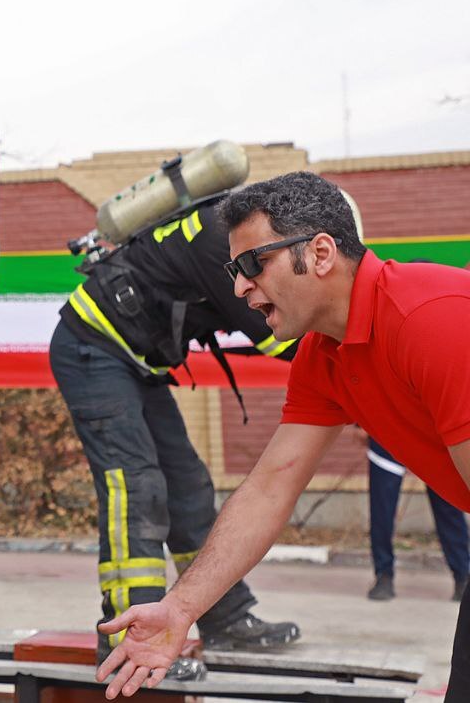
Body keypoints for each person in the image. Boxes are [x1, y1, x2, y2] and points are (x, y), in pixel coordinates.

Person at [96, 171, 470, 699]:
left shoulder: (430, 321)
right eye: (233, 268)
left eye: (253, 264)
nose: (238, 286)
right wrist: (180, 609)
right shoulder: (323, 357)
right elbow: (272, 486)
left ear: (320, 254)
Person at [49, 199, 301, 680]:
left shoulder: (236, 233)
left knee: (187, 483)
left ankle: (223, 613)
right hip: (91, 345)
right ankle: (130, 636)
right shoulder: (223, 245)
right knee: (136, 487)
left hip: (137, 360)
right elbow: (285, 338)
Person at [365, 435, 469, 601]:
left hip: (432, 429)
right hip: (386, 428)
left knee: (448, 506)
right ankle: (383, 574)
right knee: (382, 507)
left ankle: (463, 574)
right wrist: (359, 424)